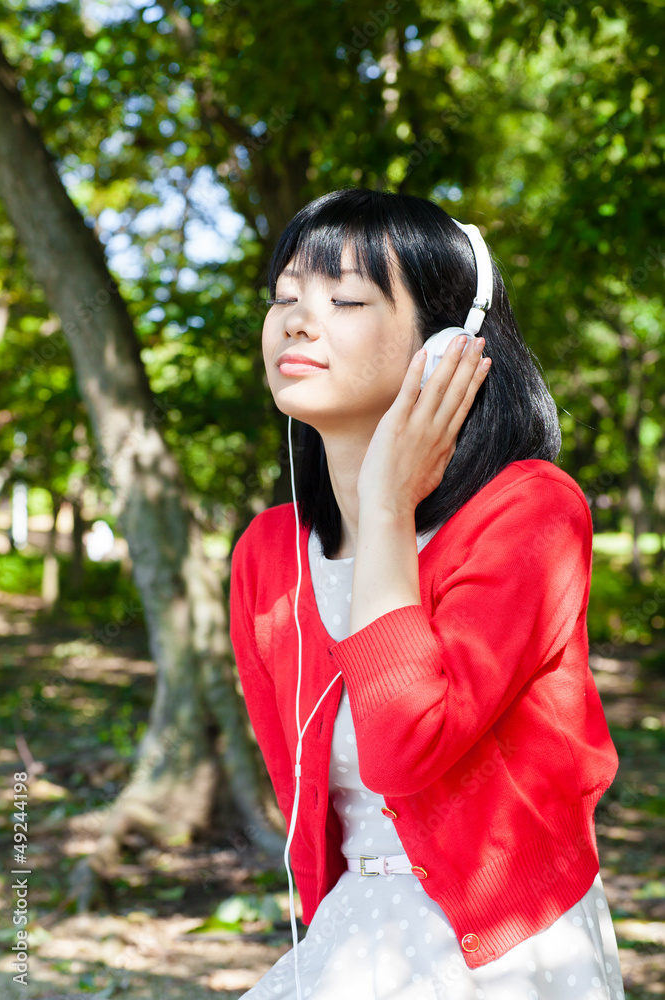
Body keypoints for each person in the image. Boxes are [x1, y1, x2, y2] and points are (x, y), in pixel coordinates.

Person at [229, 188, 625, 999]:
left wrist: (385, 504)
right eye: (284, 299)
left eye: (344, 298)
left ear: (446, 346)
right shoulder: (268, 554)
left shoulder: (530, 513)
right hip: (349, 929)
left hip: (502, 948)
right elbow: (297, 794)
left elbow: (404, 746)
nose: (298, 321)